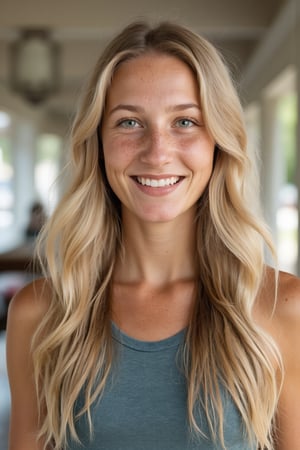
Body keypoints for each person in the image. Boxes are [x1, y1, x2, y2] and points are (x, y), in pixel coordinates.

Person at [6, 20, 300, 450]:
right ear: (98, 142)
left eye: (184, 121)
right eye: (128, 123)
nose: (157, 152)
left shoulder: (282, 308)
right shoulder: (41, 315)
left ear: (218, 142)